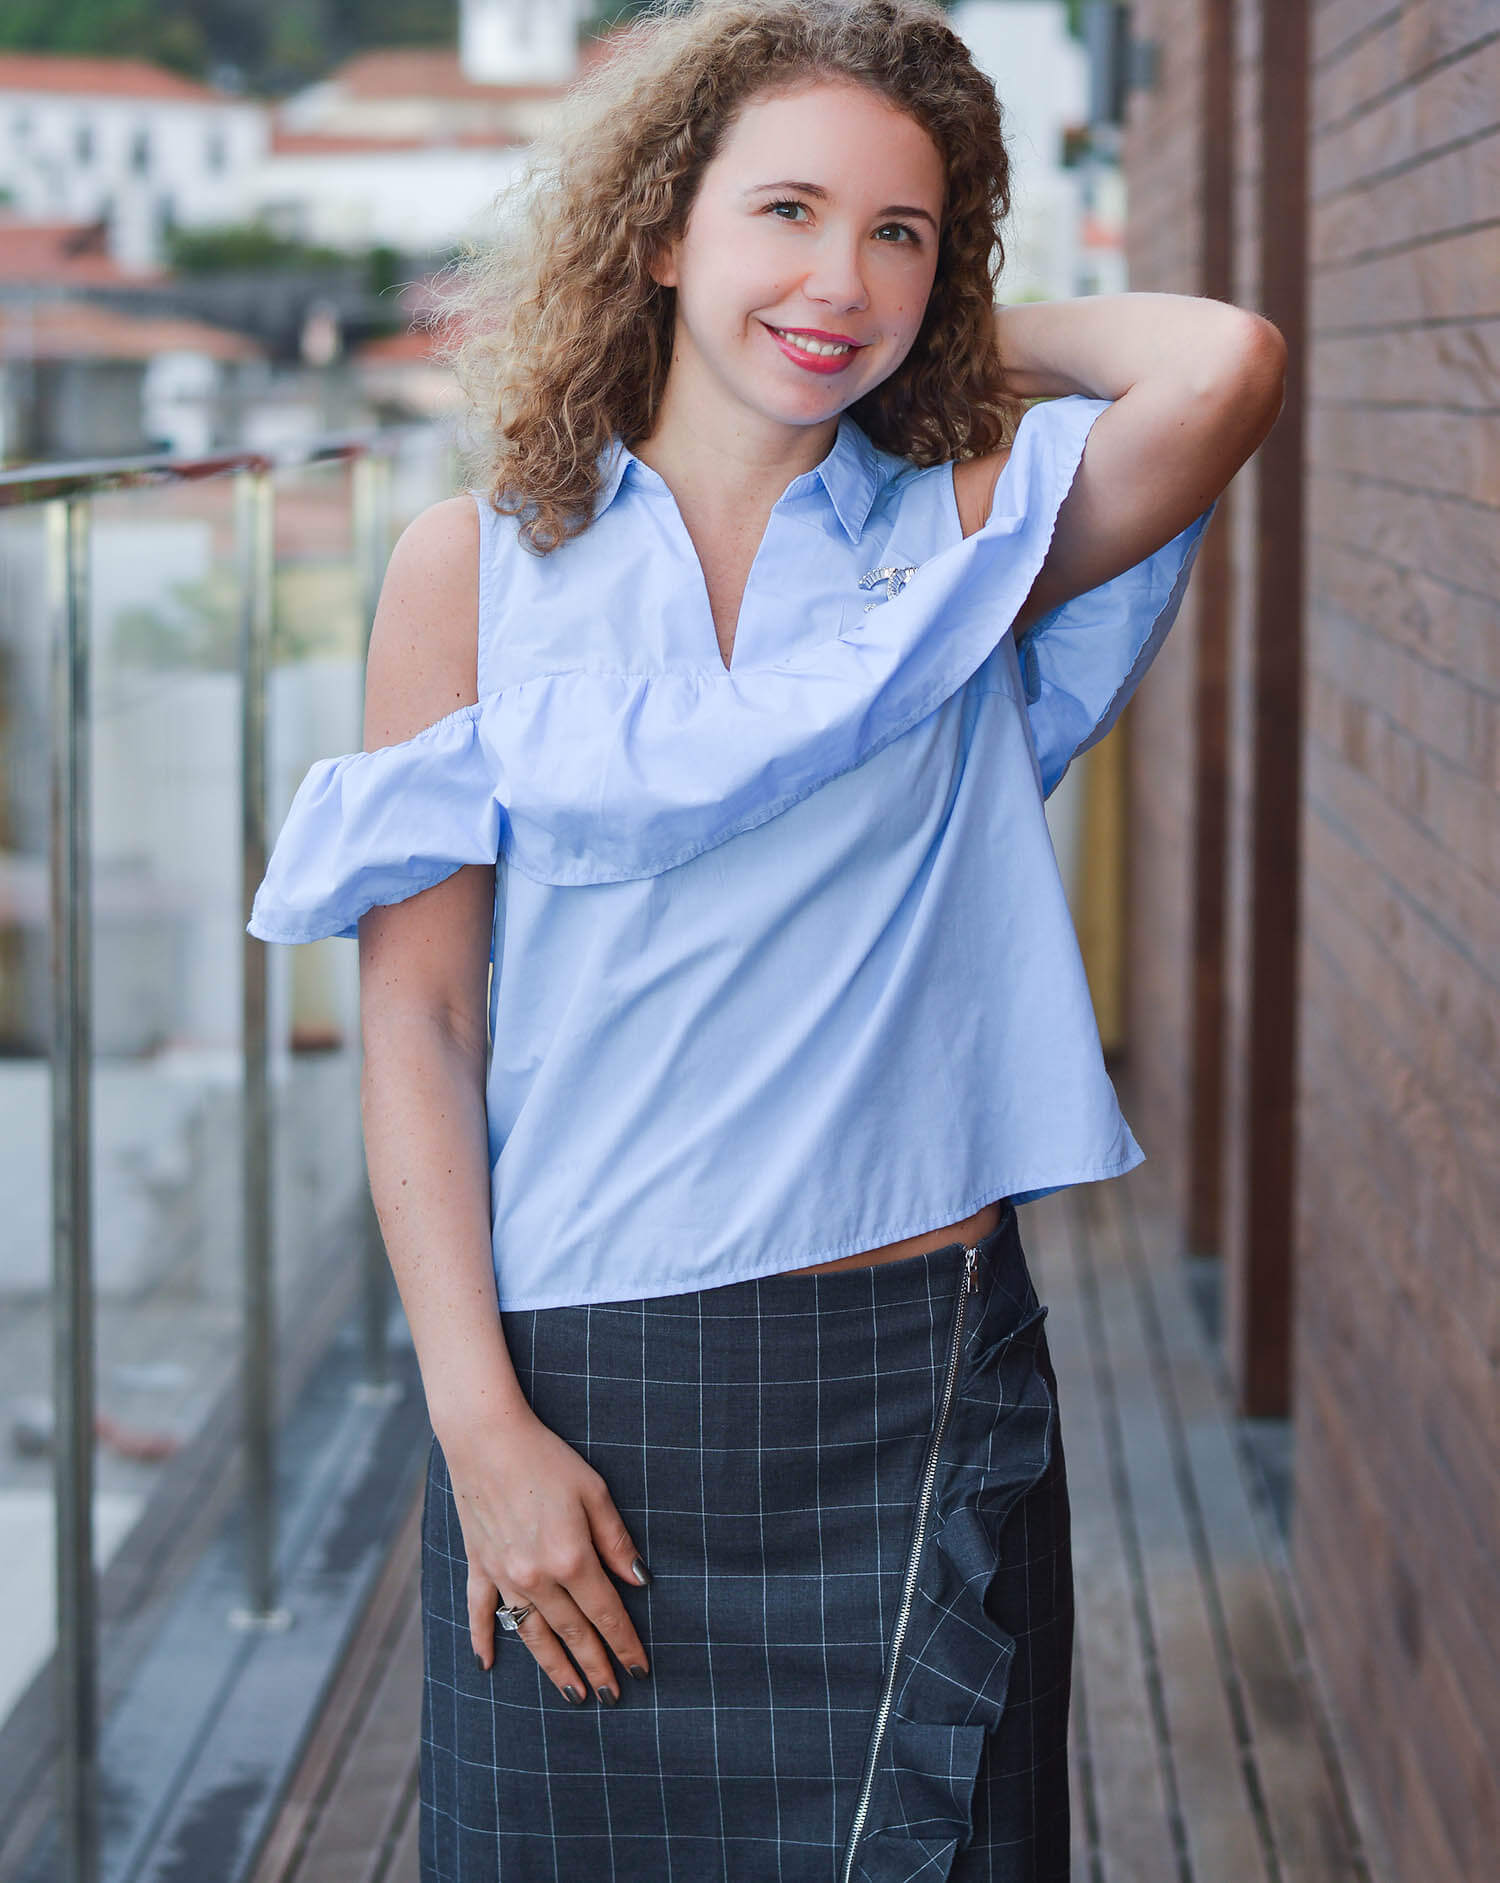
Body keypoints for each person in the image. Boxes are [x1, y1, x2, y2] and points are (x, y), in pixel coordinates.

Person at [248, 1, 1285, 1876]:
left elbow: (1221, 365)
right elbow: (420, 1030)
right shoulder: (465, 569)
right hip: (575, 1394)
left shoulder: (975, 528)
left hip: (909, 1375)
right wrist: (477, 1424)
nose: (840, 276)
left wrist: (956, 338)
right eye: (785, 212)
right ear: (660, 227)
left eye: (902, 230)